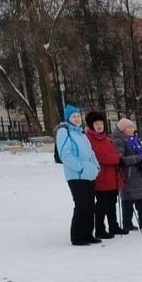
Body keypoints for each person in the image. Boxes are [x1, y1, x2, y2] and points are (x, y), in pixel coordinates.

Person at [56, 105, 100, 246]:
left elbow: (91, 152)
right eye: (73, 117)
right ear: (68, 118)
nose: (76, 119)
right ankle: (77, 236)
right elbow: (65, 154)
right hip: (76, 175)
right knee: (81, 204)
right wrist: (80, 168)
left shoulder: (81, 133)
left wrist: (96, 167)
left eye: (78, 116)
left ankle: (88, 234)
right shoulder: (64, 131)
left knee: (90, 205)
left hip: (89, 174)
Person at [85, 111, 125, 239]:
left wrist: (117, 159)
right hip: (101, 176)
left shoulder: (106, 138)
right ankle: (100, 229)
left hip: (112, 175)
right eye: (96, 124)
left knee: (112, 202)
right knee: (102, 204)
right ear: (92, 125)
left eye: (101, 124)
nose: (99, 126)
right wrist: (117, 159)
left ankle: (113, 226)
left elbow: (114, 152)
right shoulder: (90, 139)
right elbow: (100, 156)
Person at [111, 118, 142, 232]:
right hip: (128, 174)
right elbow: (120, 159)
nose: (131, 130)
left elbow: (141, 154)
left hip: (138, 173)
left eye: (132, 127)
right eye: (128, 128)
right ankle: (127, 223)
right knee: (128, 199)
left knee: (141, 198)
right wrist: (137, 159)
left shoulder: (134, 139)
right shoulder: (119, 140)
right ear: (122, 129)